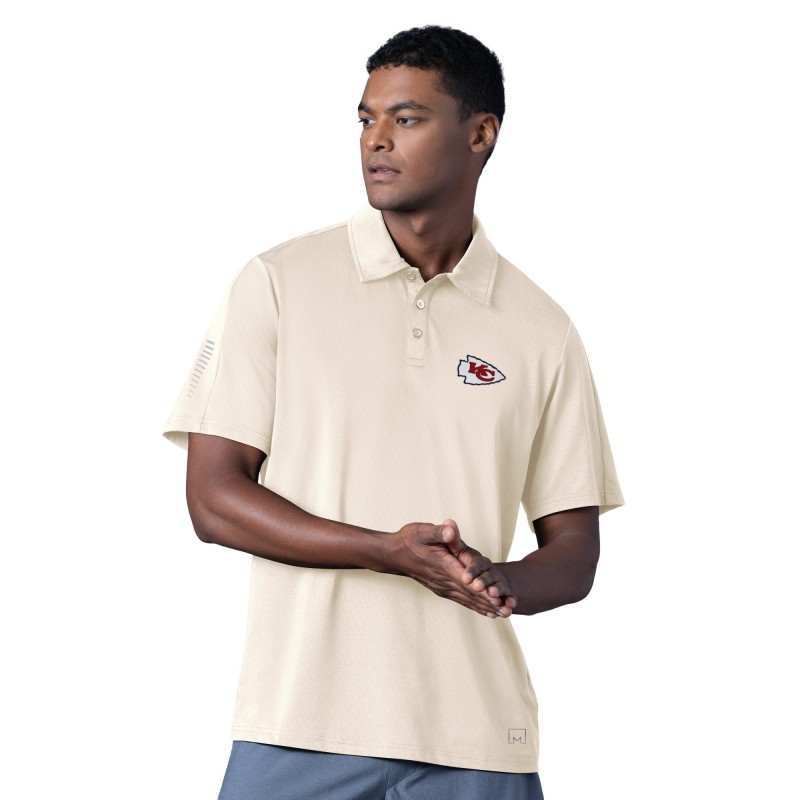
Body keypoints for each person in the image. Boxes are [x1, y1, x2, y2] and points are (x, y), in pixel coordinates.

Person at [163, 24, 624, 800]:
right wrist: (388, 552)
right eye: (366, 118)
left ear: (480, 134)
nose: (375, 140)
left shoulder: (542, 329)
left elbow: (575, 550)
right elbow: (213, 501)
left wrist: (498, 578)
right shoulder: (277, 284)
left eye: (406, 119)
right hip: (298, 728)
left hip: (479, 739)